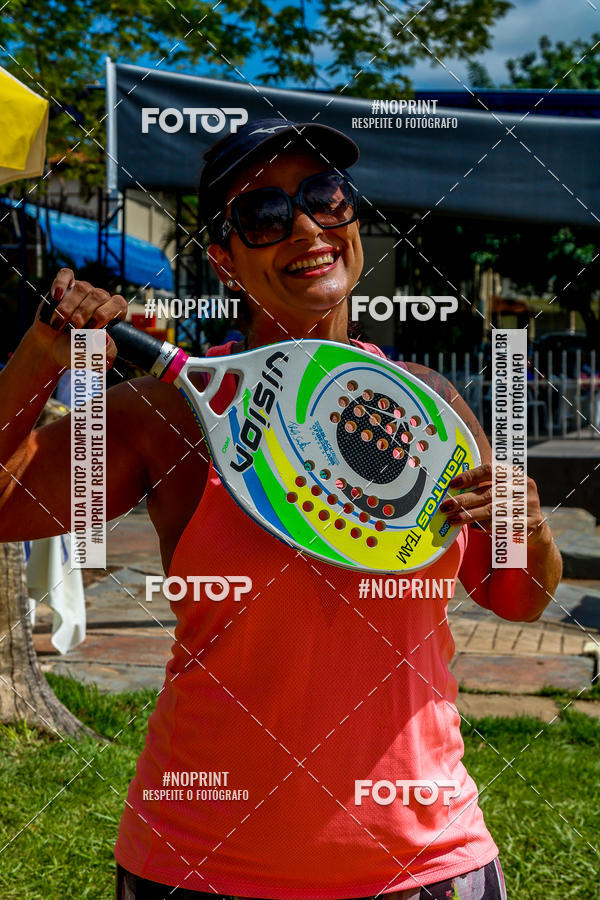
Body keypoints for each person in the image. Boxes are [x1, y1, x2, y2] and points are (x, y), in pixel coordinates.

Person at [0, 119, 562, 900]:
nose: (304, 225)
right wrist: (42, 353)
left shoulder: (430, 403)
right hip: (199, 864)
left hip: (424, 862)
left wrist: (524, 526)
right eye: (263, 214)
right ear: (226, 263)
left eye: (325, 197)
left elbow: (516, 597)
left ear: (354, 221)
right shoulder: (169, 414)